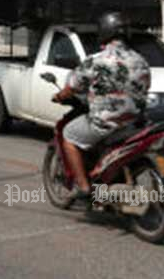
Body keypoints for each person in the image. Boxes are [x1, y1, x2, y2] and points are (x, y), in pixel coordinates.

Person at [51, 11, 152, 200]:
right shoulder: (142, 60)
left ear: (105, 32)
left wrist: (59, 96)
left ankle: (83, 186)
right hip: (135, 124)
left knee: (69, 135)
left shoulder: (97, 60)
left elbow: (73, 85)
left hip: (105, 124)